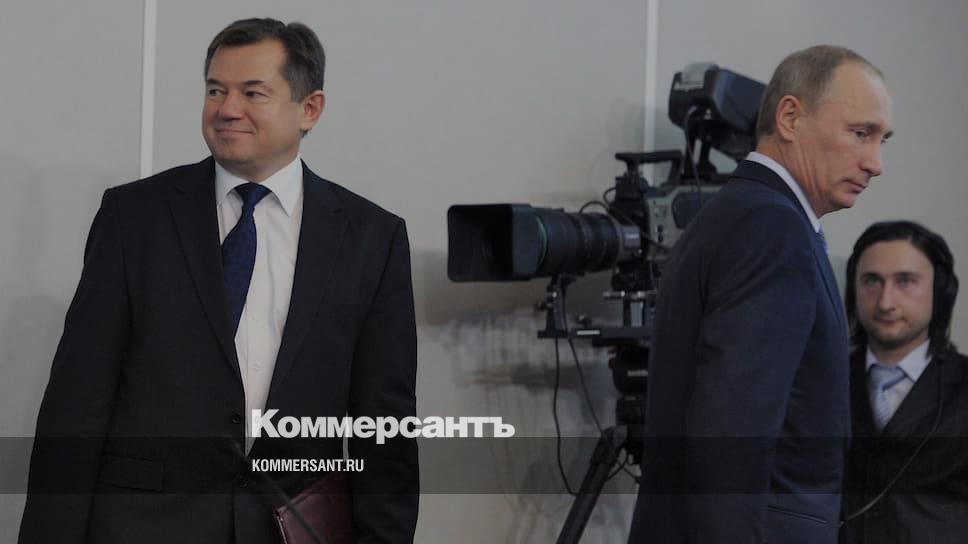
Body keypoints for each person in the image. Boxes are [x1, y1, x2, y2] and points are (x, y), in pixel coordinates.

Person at [19, 18, 418, 544]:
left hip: (289, 528)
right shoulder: (135, 216)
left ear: (310, 108)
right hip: (143, 526)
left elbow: (384, 426)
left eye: (253, 93)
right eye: (215, 91)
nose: (227, 109)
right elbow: (77, 404)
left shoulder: (371, 238)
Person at [628, 45, 893, 543]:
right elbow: (730, 438)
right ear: (790, 117)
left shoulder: (739, 214)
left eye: (883, 140)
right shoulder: (772, 228)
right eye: (861, 133)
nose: (875, 163)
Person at [842, 221, 967, 543]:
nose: (886, 302)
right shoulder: (819, 383)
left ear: (940, 291)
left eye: (905, 281)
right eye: (872, 281)